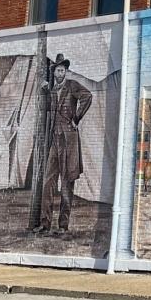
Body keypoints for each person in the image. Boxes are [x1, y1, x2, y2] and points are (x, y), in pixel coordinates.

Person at [33, 54, 93, 237]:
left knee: (67, 183)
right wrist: (44, 91)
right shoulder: (52, 90)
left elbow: (87, 96)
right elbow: (46, 110)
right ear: (54, 72)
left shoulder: (72, 85)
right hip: (55, 140)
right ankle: (45, 224)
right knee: (48, 182)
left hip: (68, 141)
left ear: (65, 72)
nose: (60, 73)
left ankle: (63, 225)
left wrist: (76, 118)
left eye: (63, 70)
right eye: (58, 70)